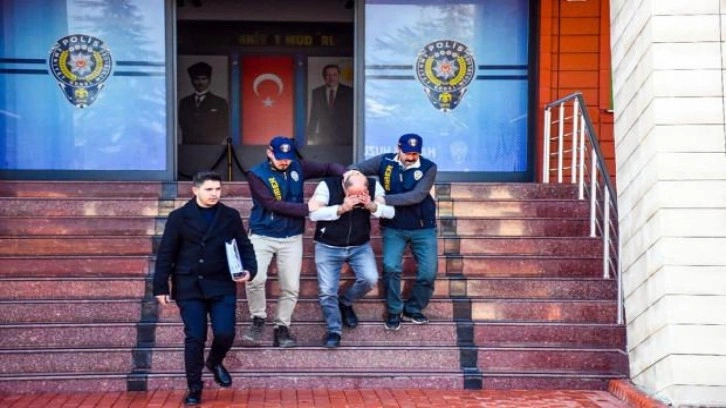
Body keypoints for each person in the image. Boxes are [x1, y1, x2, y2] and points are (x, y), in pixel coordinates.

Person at [153, 170, 257, 406]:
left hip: (221, 282)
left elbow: (244, 245)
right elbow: (166, 252)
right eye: (209, 189)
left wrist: (250, 269)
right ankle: (194, 387)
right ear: (195, 190)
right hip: (189, 284)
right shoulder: (179, 217)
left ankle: (214, 361)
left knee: (225, 332)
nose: (214, 194)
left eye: (217, 189)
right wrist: (160, 286)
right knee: (195, 337)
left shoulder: (230, 215)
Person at [243, 136, 346, 347]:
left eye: (288, 157)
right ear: (269, 152)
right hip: (262, 234)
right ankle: (258, 318)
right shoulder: (256, 174)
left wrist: (348, 174)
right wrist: (307, 209)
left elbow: (327, 167)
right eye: (280, 157)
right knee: (255, 278)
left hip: (291, 237)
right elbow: (272, 204)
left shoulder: (298, 166)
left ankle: (282, 327)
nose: (285, 162)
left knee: (290, 286)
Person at [347, 133, 438, 331]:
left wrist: (384, 199)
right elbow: (355, 168)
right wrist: (355, 183)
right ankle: (394, 310)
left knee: (428, 272)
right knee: (390, 267)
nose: (411, 157)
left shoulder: (429, 167)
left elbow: (417, 196)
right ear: (398, 148)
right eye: (408, 153)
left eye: (415, 154)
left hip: (423, 227)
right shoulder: (385, 161)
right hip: (394, 226)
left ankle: (413, 308)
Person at [308, 172, 395, 348]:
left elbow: (390, 212)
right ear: (344, 187)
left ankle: (345, 302)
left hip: (359, 245)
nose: (357, 198)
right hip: (328, 245)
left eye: (361, 193)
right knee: (327, 291)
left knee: (370, 279)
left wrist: (371, 205)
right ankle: (334, 330)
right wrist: (341, 208)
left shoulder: (373, 185)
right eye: (353, 195)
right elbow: (313, 214)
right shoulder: (327, 186)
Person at [178, 61, 230, 145]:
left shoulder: (220, 102)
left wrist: (212, 143)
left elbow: (224, 127)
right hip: (189, 147)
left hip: (212, 147)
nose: (200, 83)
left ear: (209, 80)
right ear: (192, 81)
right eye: (197, 79)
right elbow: (183, 125)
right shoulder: (184, 102)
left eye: (203, 79)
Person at [306, 64, 353, 146]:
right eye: (328, 75)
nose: (331, 78)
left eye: (334, 75)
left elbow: (352, 116)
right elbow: (314, 115)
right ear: (324, 77)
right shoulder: (317, 92)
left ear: (339, 76)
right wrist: (310, 136)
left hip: (345, 139)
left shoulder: (349, 91)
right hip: (324, 138)